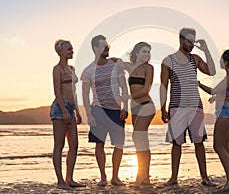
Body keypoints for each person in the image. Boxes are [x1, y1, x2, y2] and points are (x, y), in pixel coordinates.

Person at [160, 27, 216, 185]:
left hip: (195, 106)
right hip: (177, 107)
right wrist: (163, 108)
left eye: (194, 41)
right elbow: (163, 86)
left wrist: (206, 51)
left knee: (199, 142)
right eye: (189, 41)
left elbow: (211, 71)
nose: (192, 44)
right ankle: (173, 178)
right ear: (181, 40)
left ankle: (205, 177)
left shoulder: (195, 59)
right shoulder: (168, 60)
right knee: (176, 143)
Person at [188, 49, 229, 191]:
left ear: (225, 62)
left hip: (225, 113)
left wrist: (198, 83)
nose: (220, 61)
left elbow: (213, 91)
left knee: (218, 147)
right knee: (228, 149)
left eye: (221, 60)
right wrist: (220, 97)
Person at [81, 35, 129, 186]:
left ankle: (115, 177)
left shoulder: (116, 66)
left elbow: (124, 87)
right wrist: (88, 114)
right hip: (98, 110)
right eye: (104, 46)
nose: (108, 49)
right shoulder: (88, 71)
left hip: (116, 111)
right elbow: (84, 94)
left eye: (108, 46)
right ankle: (103, 177)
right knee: (99, 144)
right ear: (96, 48)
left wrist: (125, 107)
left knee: (119, 144)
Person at [118, 42, 156, 187]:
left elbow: (146, 89)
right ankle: (145, 177)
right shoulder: (129, 66)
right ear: (136, 53)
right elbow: (116, 63)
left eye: (148, 52)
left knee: (137, 136)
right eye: (144, 51)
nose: (147, 54)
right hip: (135, 108)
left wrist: (127, 97)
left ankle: (141, 176)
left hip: (146, 105)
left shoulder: (149, 68)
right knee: (141, 140)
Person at [50, 39, 84, 189]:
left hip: (70, 108)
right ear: (61, 52)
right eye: (69, 49)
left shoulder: (72, 68)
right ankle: (60, 181)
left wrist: (77, 111)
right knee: (59, 145)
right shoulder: (57, 69)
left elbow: (74, 93)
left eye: (72, 49)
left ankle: (69, 179)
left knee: (74, 145)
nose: (72, 51)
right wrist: (64, 110)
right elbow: (57, 92)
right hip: (60, 108)